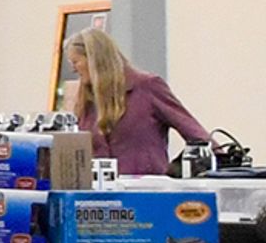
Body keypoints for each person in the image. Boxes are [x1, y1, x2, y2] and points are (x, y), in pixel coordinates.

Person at [66, 24, 212, 176]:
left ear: (94, 59)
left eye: (75, 62)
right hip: (99, 196)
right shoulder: (85, 101)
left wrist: (175, 175)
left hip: (146, 193)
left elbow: (194, 132)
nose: (73, 69)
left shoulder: (148, 86)